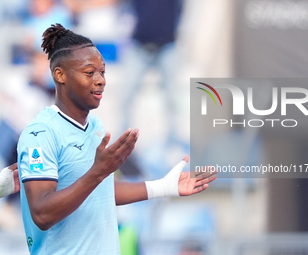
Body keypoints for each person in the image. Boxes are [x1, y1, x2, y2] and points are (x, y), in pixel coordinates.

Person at [17, 23, 216, 255]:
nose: (100, 80)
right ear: (60, 75)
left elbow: (99, 192)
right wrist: (97, 172)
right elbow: (42, 213)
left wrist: (162, 186)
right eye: (89, 72)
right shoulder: (40, 134)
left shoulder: (95, 127)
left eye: (103, 72)